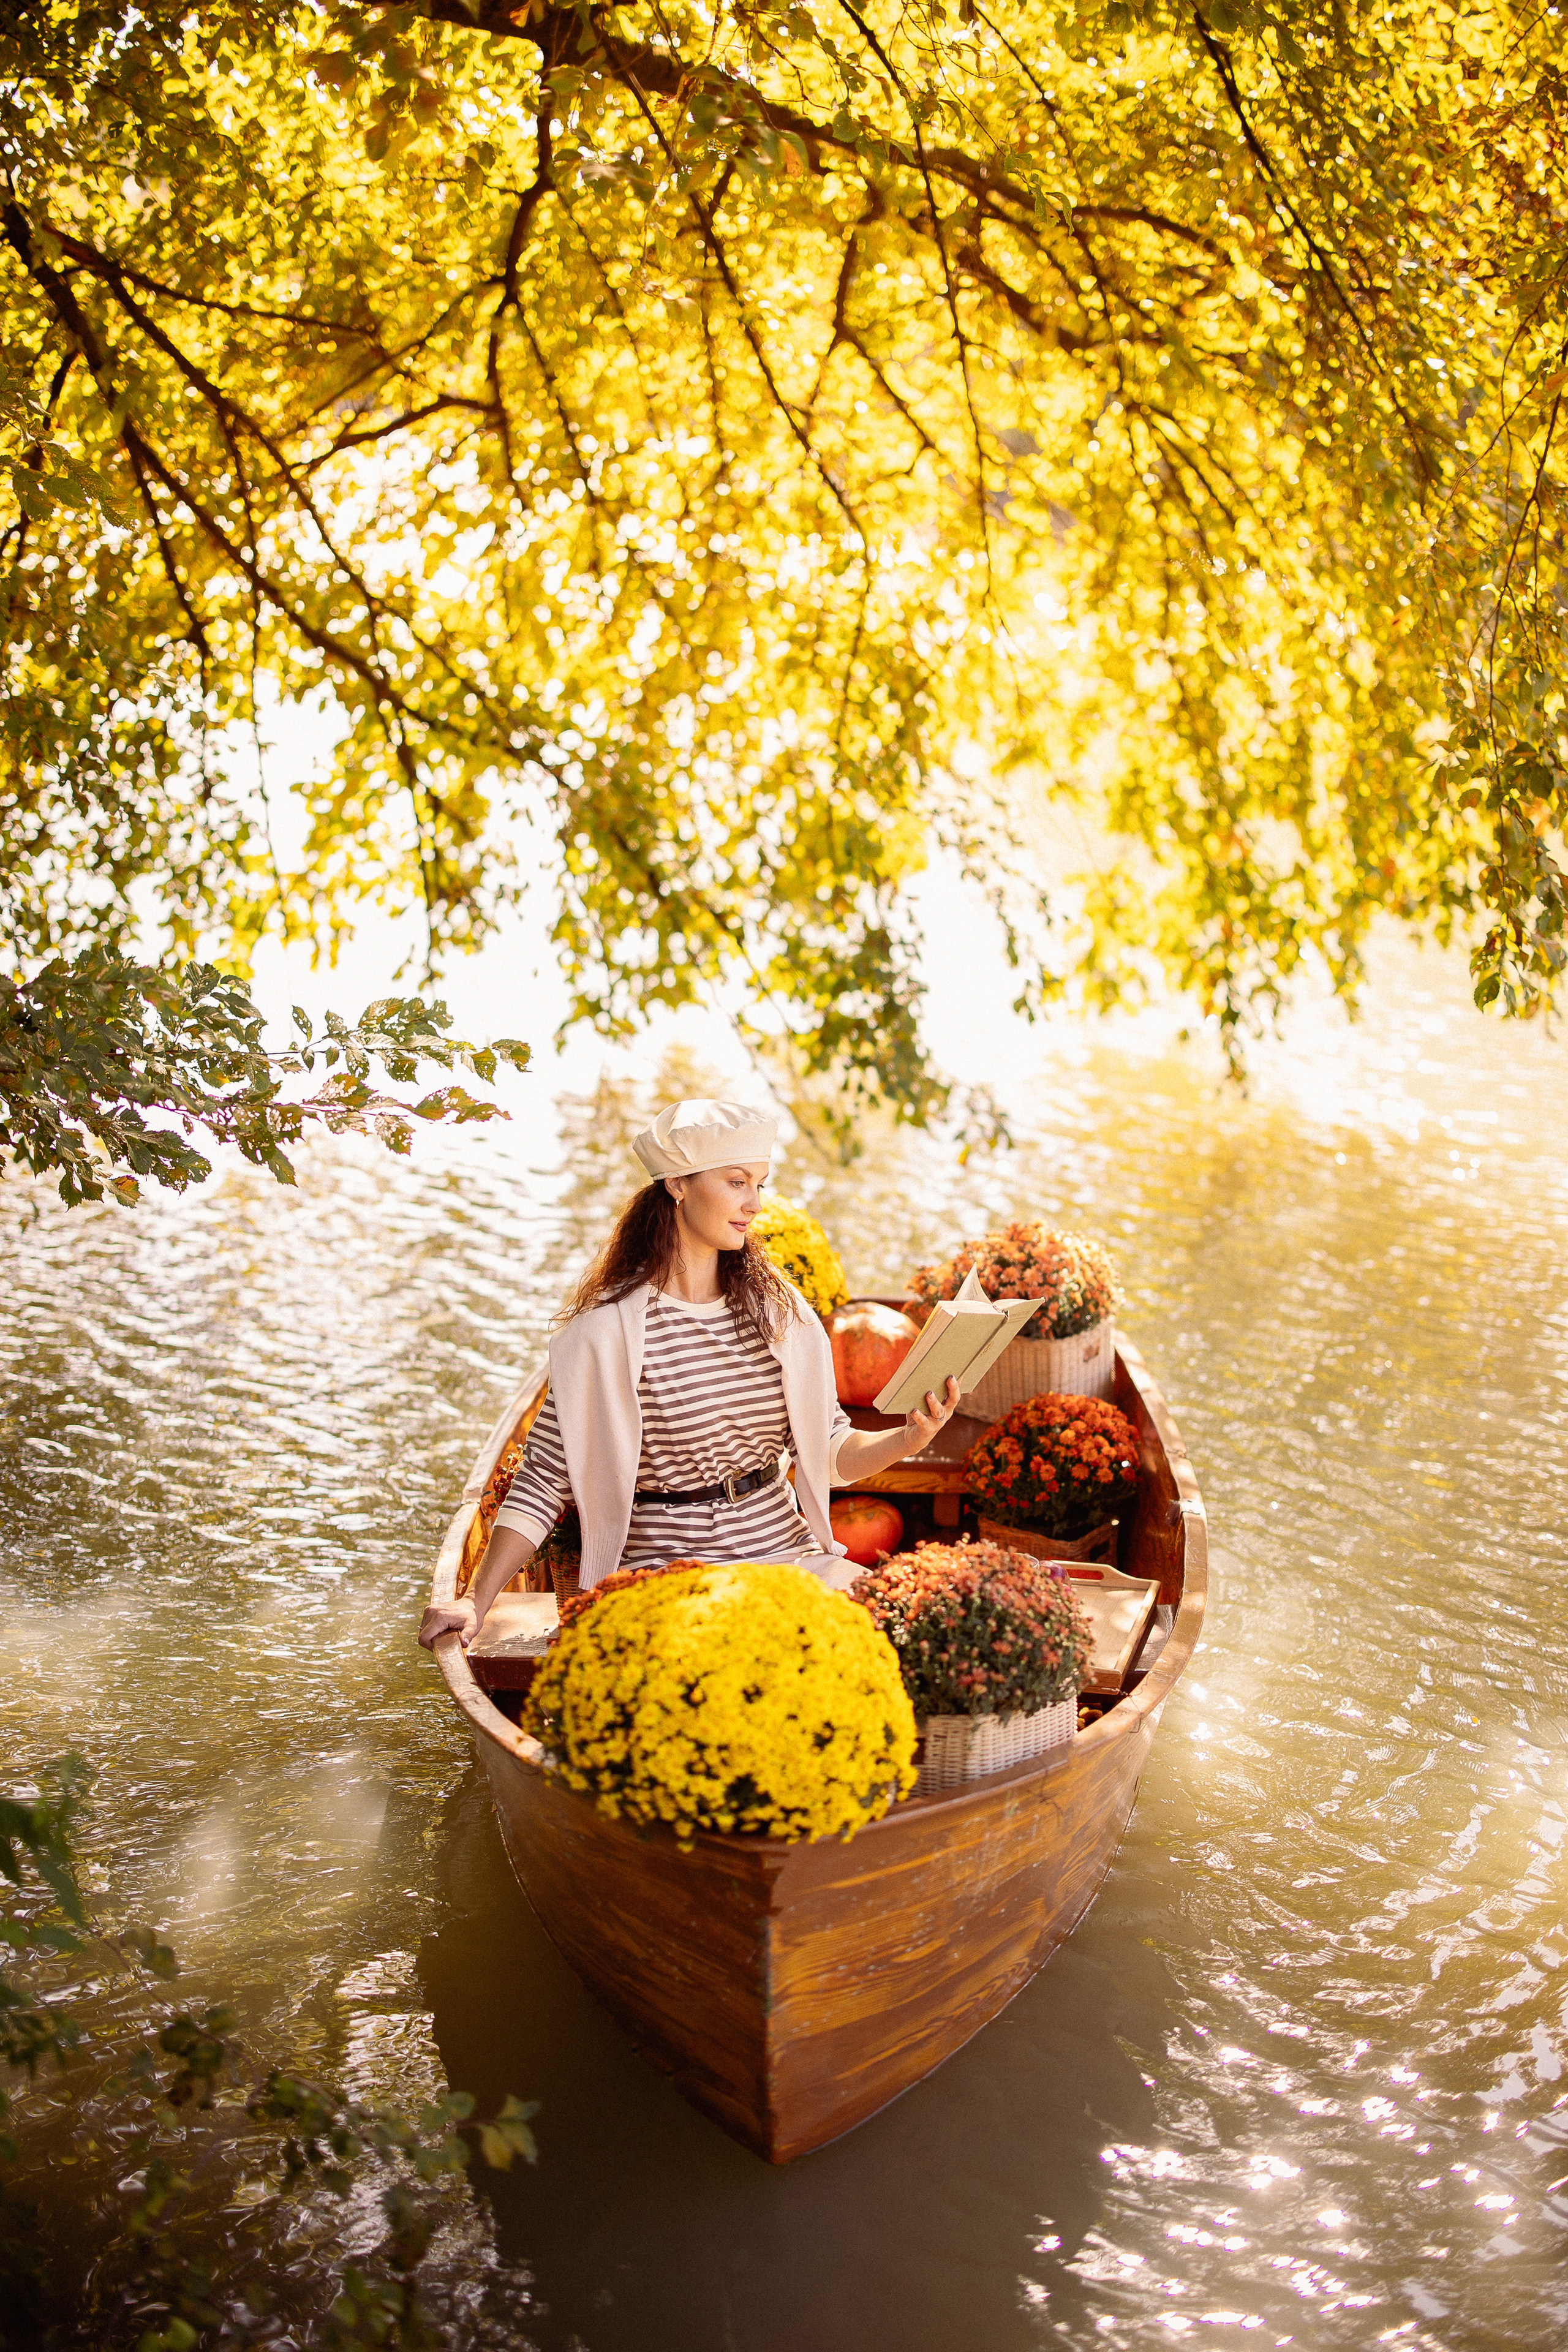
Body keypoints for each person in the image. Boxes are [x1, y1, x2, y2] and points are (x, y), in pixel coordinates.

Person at [419, 1097, 959, 1651]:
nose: (753, 1204)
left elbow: (827, 1451)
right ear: (677, 1184)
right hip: (662, 1580)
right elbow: (541, 1483)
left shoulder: (782, 1314)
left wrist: (908, 1437)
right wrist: (474, 1601)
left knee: (906, 1638)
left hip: (788, 1560)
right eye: (735, 1182)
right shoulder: (604, 1335)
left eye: (759, 1185)